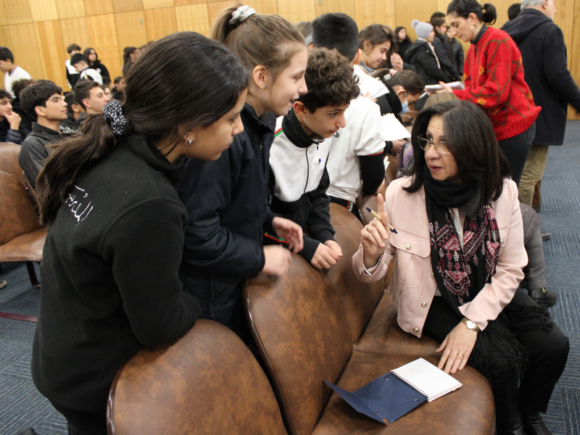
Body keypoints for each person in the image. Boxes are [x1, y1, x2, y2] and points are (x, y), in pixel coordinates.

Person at [31, 31, 249, 435]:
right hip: (95, 377)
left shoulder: (113, 145)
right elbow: (159, 324)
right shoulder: (149, 203)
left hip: (63, 349)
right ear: (187, 125)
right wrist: (194, 298)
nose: (238, 131)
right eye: (232, 118)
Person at [354, 100, 569, 435]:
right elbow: (375, 272)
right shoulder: (401, 194)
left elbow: (511, 269)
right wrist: (370, 254)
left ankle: (530, 412)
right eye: (428, 140)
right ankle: (509, 426)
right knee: (500, 361)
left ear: (473, 148)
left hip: (488, 286)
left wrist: (470, 323)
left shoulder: (501, 192)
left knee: (554, 346)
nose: (431, 154)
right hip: (434, 298)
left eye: (446, 144)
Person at [178, 5, 305, 340]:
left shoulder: (257, 124)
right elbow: (197, 234)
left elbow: (235, 200)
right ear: (261, 76)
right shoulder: (224, 138)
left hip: (230, 277)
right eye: (296, 77)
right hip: (211, 296)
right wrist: (258, 256)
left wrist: (267, 220)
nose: (303, 88)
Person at [269, 48, 359, 269]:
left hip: (304, 241)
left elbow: (318, 193)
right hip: (274, 251)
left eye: (344, 112)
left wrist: (324, 235)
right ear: (300, 109)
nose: (342, 123)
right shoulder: (270, 145)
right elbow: (257, 218)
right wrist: (306, 246)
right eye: (333, 113)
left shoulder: (322, 133)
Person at [442, 0, 540, 186]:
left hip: (513, 124)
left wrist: (457, 95)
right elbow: (472, 88)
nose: (453, 32)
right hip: (492, 127)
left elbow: (496, 93)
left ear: (472, 18)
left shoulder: (497, 40)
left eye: (456, 25)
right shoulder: (474, 47)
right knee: (493, 187)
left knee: (506, 188)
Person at [502, 0, 580, 207]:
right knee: (529, 173)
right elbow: (558, 74)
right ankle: (521, 229)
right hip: (537, 114)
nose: (555, 9)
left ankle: (508, 224)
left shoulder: (504, 30)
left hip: (506, 112)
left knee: (510, 172)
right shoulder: (549, 30)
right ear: (545, 3)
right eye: (554, 4)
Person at [311, 13, 386, 215]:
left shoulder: (295, 94)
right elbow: (373, 176)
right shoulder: (366, 108)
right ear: (357, 57)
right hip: (339, 202)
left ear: (312, 50)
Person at [19, 80, 69, 190]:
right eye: (56, 100)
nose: (64, 103)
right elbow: (46, 189)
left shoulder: (70, 133)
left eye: (61, 99)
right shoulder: (33, 144)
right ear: (40, 110)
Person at [406, 20, 449, 86]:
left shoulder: (423, 46)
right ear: (425, 33)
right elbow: (432, 69)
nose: (434, 33)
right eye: (431, 31)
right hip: (428, 84)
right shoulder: (422, 49)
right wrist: (446, 80)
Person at [430, 12, 461, 81]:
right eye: (443, 26)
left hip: (449, 72)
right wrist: (454, 73)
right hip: (445, 73)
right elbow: (443, 59)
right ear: (437, 27)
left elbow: (450, 57)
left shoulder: (444, 38)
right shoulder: (436, 40)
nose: (445, 29)